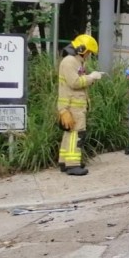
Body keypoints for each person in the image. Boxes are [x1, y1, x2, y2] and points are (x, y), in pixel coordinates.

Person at [57, 34, 103, 176]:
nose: (89, 55)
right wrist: (91, 77)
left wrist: (90, 78)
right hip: (72, 106)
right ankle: (72, 165)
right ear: (82, 49)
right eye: (89, 52)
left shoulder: (76, 61)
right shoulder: (70, 62)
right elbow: (75, 82)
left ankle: (64, 161)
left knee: (69, 134)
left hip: (72, 105)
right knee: (76, 134)